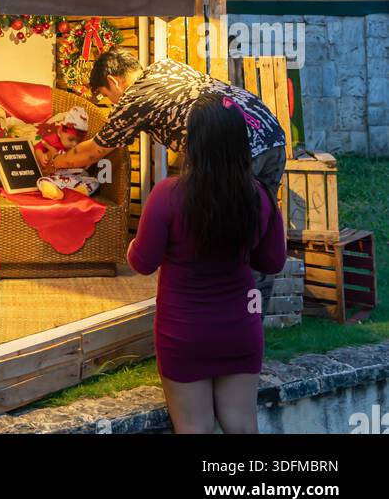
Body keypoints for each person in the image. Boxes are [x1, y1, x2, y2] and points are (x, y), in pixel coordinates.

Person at [38, 48, 288, 310]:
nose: (111, 103)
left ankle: (217, 311)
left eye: (106, 95)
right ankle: (253, 315)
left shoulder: (135, 99)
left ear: (114, 81)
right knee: (256, 227)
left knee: (215, 233)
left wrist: (53, 164)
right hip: (270, 133)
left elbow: (92, 152)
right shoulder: (167, 67)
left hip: (231, 146)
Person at [126, 93, 287, 433]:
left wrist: (130, 244)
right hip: (240, 327)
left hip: (183, 331)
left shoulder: (167, 195)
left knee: (194, 429)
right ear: (241, 142)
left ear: (192, 142)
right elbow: (272, 261)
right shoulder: (258, 195)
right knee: (243, 427)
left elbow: (143, 261)